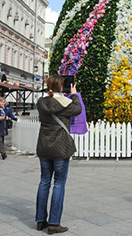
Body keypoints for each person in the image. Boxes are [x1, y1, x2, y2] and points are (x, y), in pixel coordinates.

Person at [35, 75, 82, 234]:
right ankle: (54, 223)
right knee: (59, 183)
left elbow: (50, 100)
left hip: (44, 147)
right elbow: (78, 109)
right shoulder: (66, 103)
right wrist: (74, 94)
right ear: (61, 88)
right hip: (60, 148)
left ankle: (41, 221)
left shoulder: (41, 103)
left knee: (44, 182)